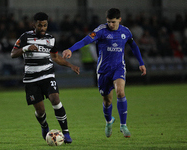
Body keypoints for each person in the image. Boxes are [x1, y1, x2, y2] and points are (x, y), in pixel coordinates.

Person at [62, 8, 146, 138]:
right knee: (107, 101)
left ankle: (123, 125)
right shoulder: (101, 30)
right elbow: (86, 40)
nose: (110, 24)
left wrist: (141, 62)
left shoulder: (126, 32)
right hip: (103, 70)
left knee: (120, 92)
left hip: (118, 67)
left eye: (113, 22)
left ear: (119, 20)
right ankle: (108, 122)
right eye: (108, 22)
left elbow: (133, 46)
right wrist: (71, 49)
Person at [11, 12, 80, 143]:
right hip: (31, 79)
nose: (42, 28)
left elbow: (55, 57)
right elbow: (13, 54)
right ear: (34, 25)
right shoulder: (25, 37)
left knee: (55, 99)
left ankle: (66, 132)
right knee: (40, 111)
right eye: (40, 25)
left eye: (45, 25)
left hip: (47, 75)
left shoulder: (51, 39)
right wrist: (25, 49)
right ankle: (44, 126)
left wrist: (71, 65)